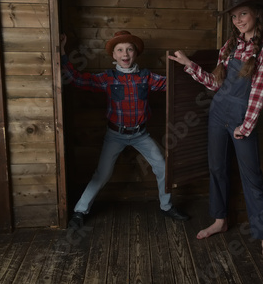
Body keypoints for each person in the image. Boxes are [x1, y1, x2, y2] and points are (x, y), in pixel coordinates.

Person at [168, 0, 263, 272]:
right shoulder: (230, 45)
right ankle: (220, 221)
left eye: (243, 14)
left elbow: (260, 91)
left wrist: (246, 125)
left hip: (243, 118)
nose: (238, 20)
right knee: (217, 168)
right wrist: (188, 64)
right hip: (218, 114)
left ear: (257, 13)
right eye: (234, 16)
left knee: (252, 180)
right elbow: (215, 84)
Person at [60, 30, 190, 228]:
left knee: (163, 166)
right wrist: (61, 51)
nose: (125, 54)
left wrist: (186, 66)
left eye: (129, 49)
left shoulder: (146, 77)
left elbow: (172, 83)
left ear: (135, 53)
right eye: (120, 50)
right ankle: (79, 211)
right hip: (115, 135)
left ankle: (167, 206)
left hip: (141, 134)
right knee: (102, 174)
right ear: (114, 55)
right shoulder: (108, 78)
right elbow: (77, 79)